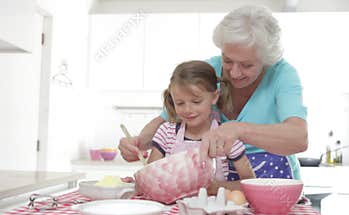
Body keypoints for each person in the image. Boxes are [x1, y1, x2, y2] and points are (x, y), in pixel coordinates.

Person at [119, 5, 307, 181]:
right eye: (228, 60)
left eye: (247, 65)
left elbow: (299, 138)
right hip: (219, 182)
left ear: (266, 59)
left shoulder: (283, 75)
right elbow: (167, 118)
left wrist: (238, 129)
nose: (234, 73)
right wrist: (137, 144)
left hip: (272, 179)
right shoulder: (210, 69)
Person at [146, 60, 255, 194]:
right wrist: (139, 183)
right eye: (180, 103)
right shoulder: (166, 133)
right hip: (173, 209)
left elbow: (249, 183)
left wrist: (218, 187)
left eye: (196, 102)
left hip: (214, 209)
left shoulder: (226, 137)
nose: (188, 109)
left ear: (214, 97)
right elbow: (150, 178)